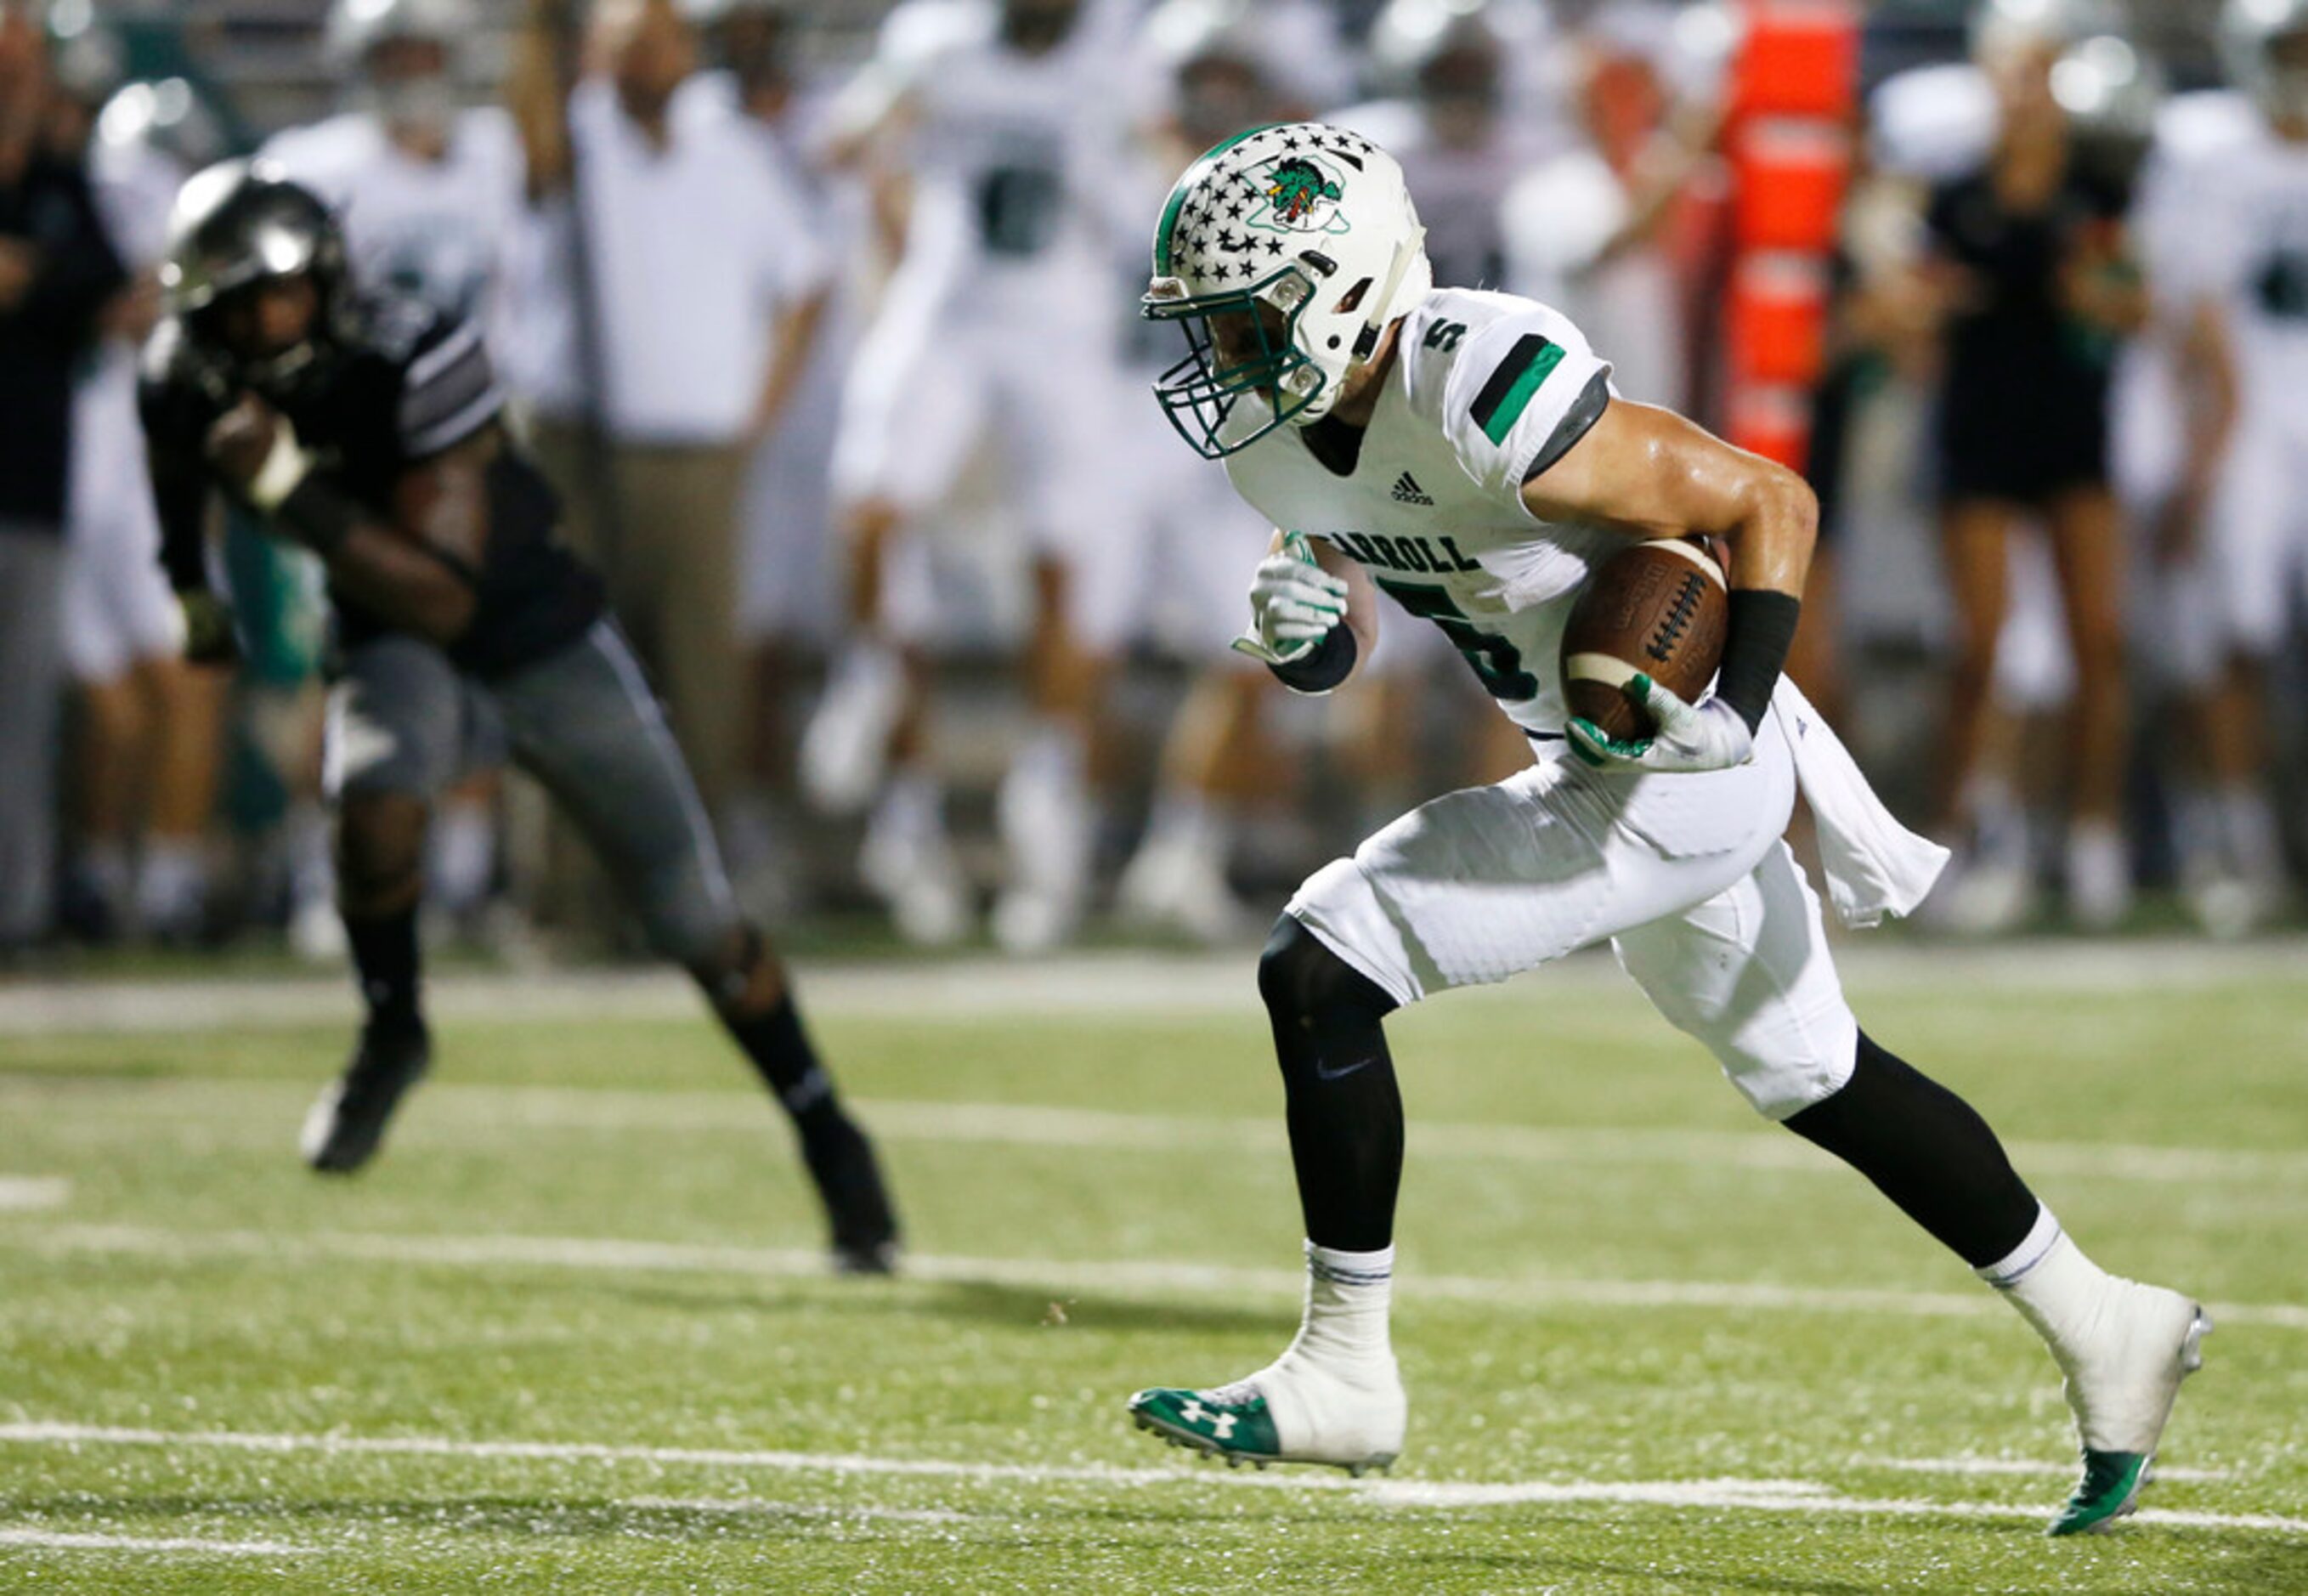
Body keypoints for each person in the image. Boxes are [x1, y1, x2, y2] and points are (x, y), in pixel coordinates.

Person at [1119, 122, 2207, 1537]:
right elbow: (1355, 611)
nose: (1227, 359)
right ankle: (2105, 1321)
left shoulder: (1480, 384)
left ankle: (1346, 1369)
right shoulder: (1279, 448)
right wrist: (1308, 640)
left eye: (1249, 317)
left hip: (1674, 763)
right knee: (1814, 1068)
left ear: (1342, 287)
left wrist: (1737, 710)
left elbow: (1771, 499)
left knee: (1323, 957)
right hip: (1598, 752)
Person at [139, 163, 898, 1272]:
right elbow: (172, 470)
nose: (265, 324)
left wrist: (289, 488)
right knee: (375, 807)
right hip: (392, 639)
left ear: (332, 280)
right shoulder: (186, 371)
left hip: (530, 630)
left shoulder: (418, 350)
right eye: (238, 305)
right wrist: (195, 595)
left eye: (285, 293)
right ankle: (393, 1024)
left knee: (695, 918)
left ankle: (830, 1130)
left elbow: (445, 588)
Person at [802, 0, 1140, 952]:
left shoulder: (1119, 58)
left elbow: (1163, 189)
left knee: (1064, 561)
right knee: (868, 504)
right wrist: (891, 140)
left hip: (1061, 327)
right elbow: (842, 145)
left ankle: (1049, 796)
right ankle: (871, 684)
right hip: (947, 312)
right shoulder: (937, 42)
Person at [1920, 0, 2147, 930]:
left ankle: (2092, 836)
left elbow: (2128, 307)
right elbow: (1915, 311)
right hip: (1981, 430)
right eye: (2013, 71)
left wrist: (2089, 286)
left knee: (2097, 637)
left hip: (2068, 429)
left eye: (2040, 71)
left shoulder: (2096, 190)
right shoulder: (1953, 193)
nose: (2026, 91)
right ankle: (1967, 831)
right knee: (1983, 646)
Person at [2144, 0, 2308, 933]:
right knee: (2233, 635)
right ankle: (2241, 843)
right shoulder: (2212, 154)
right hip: (2250, 418)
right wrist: (2204, 446)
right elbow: (2190, 307)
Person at [0, 0, 126, 953]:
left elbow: (106, 289)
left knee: (25, 718)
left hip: (33, 481)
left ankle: (19, 910)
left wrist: (31, 273)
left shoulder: (58, 181)